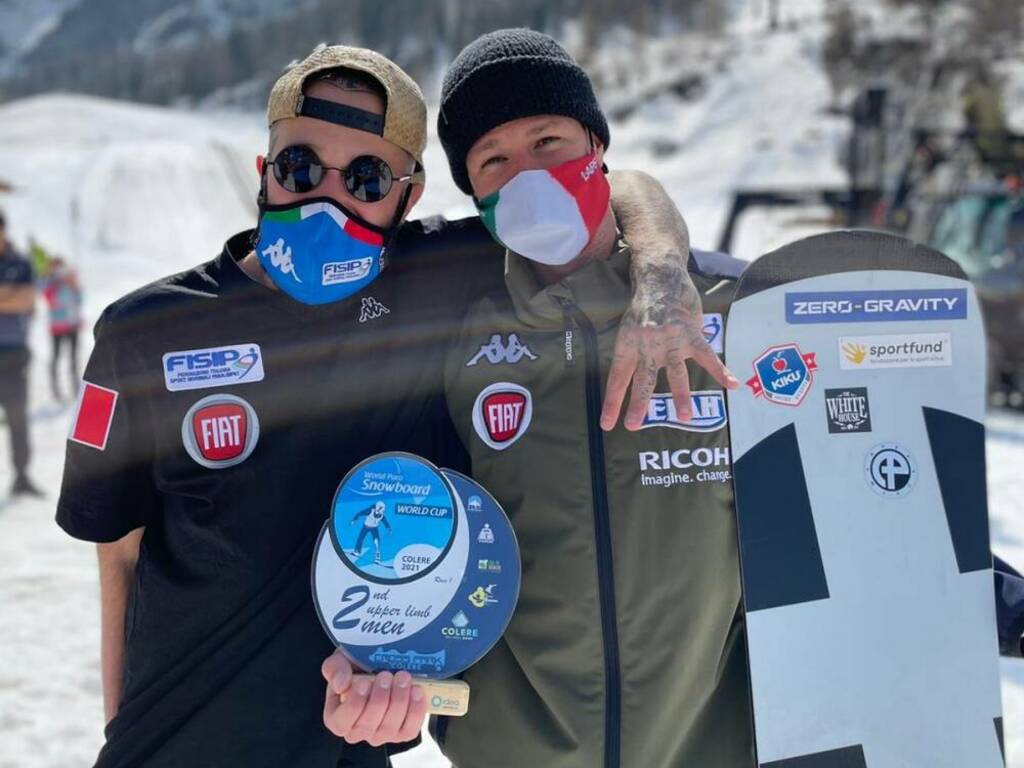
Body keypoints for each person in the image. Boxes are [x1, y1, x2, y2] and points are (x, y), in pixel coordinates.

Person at [321, 29, 1024, 767]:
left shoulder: (738, 311)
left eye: (549, 140)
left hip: (709, 745)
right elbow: (417, 544)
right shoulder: (455, 331)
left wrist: (1003, 603)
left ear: (597, 144)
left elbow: (863, 490)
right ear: (475, 192)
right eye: (495, 159)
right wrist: (381, 681)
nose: (527, 172)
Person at [56, 43, 727, 768]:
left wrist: (662, 265)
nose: (326, 198)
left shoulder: (438, 279)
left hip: (350, 748)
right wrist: (124, 734)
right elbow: (118, 558)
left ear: (407, 198)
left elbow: (609, 185)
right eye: (300, 167)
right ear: (264, 172)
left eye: (367, 176)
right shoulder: (148, 330)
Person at [0, 210, 43, 497]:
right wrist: (8, 295)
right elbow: (16, 299)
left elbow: (28, 300)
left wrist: (15, 297)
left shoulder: (20, 262)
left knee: (17, 417)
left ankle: (22, 475)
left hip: (14, 352)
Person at [40, 256, 83, 401]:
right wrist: (63, 285)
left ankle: (75, 388)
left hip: (72, 325)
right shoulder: (49, 284)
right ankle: (55, 389)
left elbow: (79, 300)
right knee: (56, 358)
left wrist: (73, 284)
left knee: (73, 359)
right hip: (57, 327)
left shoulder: (70, 282)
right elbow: (54, 300)